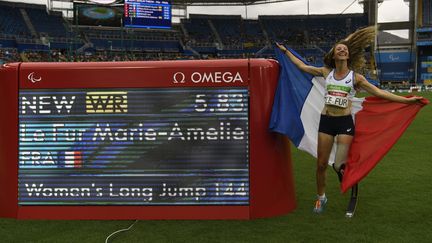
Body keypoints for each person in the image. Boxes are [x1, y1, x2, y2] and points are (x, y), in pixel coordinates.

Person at [276, 26, 423, 214]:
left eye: (345, 48)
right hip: (326, 122)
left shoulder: (356, 78)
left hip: (345, 124)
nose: (342, 49)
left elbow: (379, 93)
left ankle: (351, 185)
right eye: (339, 48)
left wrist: (407, 100)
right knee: (321, 165)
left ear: (348, 55)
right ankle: (321, 197)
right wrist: (286, 51)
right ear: (334, 55)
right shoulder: (325, 72)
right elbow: (302, 67)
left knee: (338, 165)